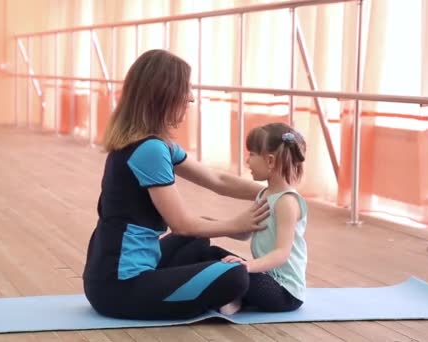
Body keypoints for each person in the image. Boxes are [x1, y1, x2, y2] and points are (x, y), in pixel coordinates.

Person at [82, 49, 270, 320]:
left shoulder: (156, 144)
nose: (191, 97)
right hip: (119, 288)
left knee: (201, 244)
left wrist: (276, 191)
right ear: (164, 95)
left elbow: (217, 180)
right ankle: (233, 289)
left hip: (109, 276)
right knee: (235, 275)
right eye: (186, 89)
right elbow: (181, 223)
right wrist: (240, 224)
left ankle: (228, 286)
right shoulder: (150, 149)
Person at [209, 122, 308, 315]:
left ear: (270, 161)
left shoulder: (287, 202)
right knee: (212, 254)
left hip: (284, 293)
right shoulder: (264, 194)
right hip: (265, 276)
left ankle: (237, 297)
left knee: (234, 272)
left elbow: (282, 253)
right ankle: (238, 297)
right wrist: (212, 225)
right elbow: (247, 232)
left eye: (252, 155)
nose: (247, 161)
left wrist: (247, 266)